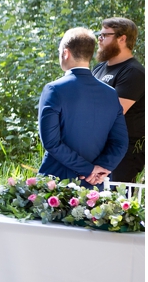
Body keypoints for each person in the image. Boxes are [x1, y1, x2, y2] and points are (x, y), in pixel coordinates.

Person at [38, 27, 128, 188]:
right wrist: (100, 169)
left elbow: (51, 142)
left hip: (57, 185)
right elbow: (120, 142)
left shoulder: (54, 90)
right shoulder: (110, 93)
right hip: (97, 187)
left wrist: (89, 170)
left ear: (65, 53)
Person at [91, 17, 145, 182]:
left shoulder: (133, 72)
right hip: (100, 148)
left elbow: (113, 114)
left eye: (105, 35)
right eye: (99, 35)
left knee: (117, 197)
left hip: (124, 153)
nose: (99, 39)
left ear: (122, 39)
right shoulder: (99, 68)